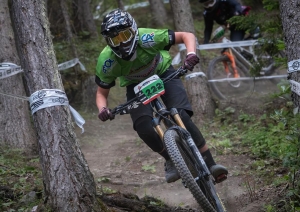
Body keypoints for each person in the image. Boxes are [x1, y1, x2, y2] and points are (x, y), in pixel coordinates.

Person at [95, 8, 228, 184]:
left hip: (163, 73)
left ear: (134, 30)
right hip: (136, 87)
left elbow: (186, 36)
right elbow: (101, 93)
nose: (121, 43)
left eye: (125, 35)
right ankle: (170, 159)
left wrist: (191, 54)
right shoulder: (107, 60)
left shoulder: (146, 37)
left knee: (179, 114)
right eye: (115, 39)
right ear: (108, 42)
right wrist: (102, 109)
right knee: (143, 128)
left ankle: (210, 163)